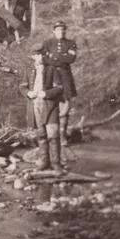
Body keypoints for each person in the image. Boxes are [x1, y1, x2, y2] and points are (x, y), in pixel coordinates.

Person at [23, 45, 66, 172]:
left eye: (42, 54)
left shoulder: (52, 70)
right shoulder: (28, 71)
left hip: (50, 106)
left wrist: (46, 94)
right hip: (34, 106)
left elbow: (59, 88)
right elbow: (22, 86)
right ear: (33, 56)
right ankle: (44, 162)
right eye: (37, 55)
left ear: (45, 55)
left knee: (53, 135)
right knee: (41, 135)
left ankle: (56, 163)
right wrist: (28, 93)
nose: (39, 58)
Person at [41, 21, 78, 149]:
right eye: (58, 30)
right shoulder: (47, 43)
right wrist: (62, 57)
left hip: (65, 77)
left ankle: (62, 135)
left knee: (65, 106)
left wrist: (55, 57)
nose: (61, 32)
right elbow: (44, 59)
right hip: (51, 77)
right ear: (54, 31)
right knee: (49, 103)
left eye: (63, 30)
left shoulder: (71, 43)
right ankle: (48, 134)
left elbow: (71, 59)